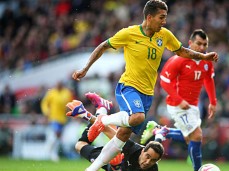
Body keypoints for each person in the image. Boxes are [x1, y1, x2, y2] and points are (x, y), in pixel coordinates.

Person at [72, 1, 218, 170]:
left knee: (123, 135)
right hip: (128, 86)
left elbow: (182, 51)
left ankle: (91, 168)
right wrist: (85, 68)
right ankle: (102, 120)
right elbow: (103, 46)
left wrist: (203, 57)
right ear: (149, 17)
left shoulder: (164, 35)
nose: (164, 21)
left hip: (147, 94)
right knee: (138, 117)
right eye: (161, 17)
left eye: (165, 17)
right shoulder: (129, 33)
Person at [141, 29, 217, 171]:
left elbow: (208, 80)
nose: (201, 48)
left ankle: (160, 131)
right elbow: (164, 81)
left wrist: (213, 101)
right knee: (196, 135)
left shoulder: (206, 61)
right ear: (190, 43)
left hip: (193, 106)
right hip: (177, 105)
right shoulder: (179, 59)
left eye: (204, 45)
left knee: (190, 138)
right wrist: (179, 100)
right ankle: (198, 169)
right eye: (198, 44)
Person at [66, 93, 164, 171]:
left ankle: (102, 108)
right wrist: (86, 116)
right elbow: (107, 129)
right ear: (142, 151)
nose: (148, 162)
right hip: (110, 160)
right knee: (79, 145)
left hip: (115, 167)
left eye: (153, 160)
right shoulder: (132, 149)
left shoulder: (153, 169)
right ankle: (102, 109)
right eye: (147, 156)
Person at [41, 81, 73, 161]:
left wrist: (70, 111)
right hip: (54, 117)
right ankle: (50, 151)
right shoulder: (51, 93)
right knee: (57, 133)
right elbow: (44, 103)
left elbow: (70, 103)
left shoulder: (67, 93)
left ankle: (51, 151)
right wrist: (46, 112)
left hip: (63, 118)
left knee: (58, 136)